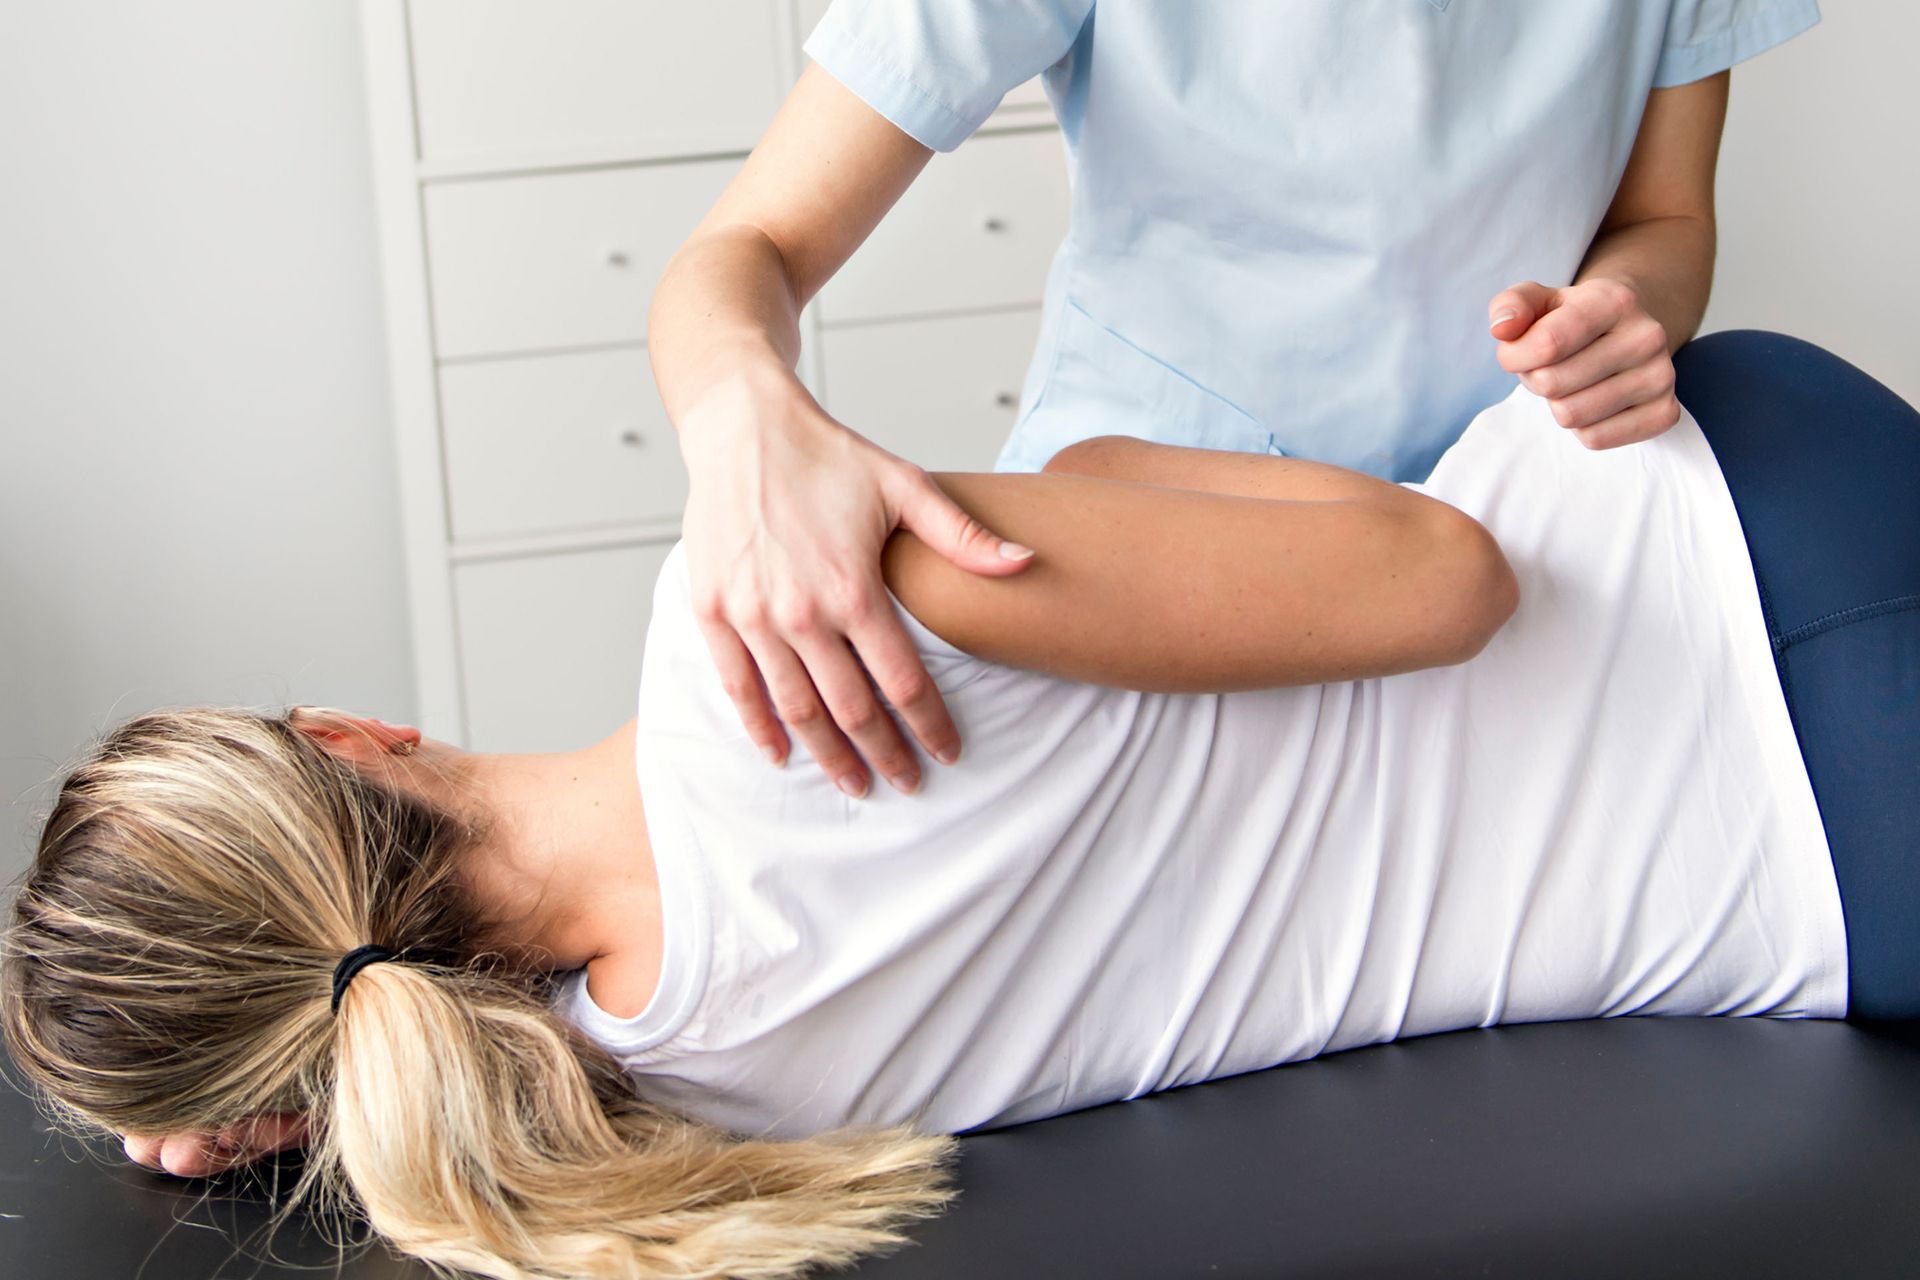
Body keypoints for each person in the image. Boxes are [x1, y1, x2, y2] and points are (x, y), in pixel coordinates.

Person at [5, 331, 1914, 1280]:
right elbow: (1446, 576)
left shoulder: (646, 1133)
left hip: (1836, 921)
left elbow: (373, 1048)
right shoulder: (778, 623)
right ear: (346, 737)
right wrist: (1080, 473)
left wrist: (234, 1109)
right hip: (1757, 565)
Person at [650, 0, 1822, 802]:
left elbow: (1667, 219)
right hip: (1157, 544)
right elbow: (751, 245)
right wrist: (743, 419)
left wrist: (1626, 311)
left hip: (1518, 545)